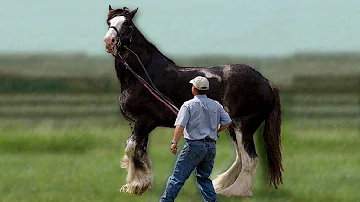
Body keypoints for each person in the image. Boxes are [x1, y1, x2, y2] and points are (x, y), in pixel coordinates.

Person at [160, 76, 232, 202]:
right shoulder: (216, 105)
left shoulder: (188, 105)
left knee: (177, 178)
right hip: (211, 147)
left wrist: (174, 142)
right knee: (204, 178)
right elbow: (227, 122)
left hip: (194, 146)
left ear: (194, 89)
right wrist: (216, 130)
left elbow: (180, 126)